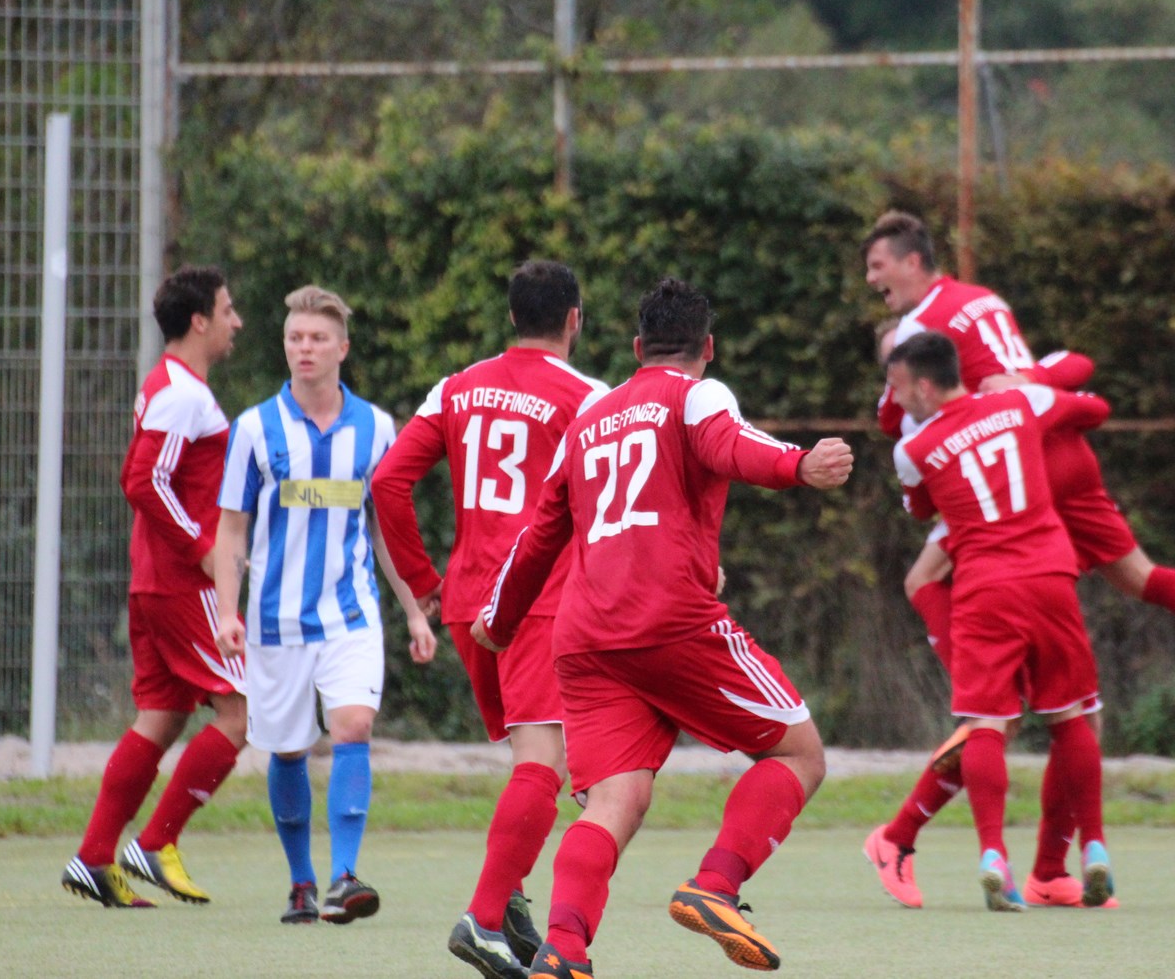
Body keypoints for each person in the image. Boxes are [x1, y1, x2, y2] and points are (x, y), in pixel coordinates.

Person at [859, 209, 1175, 911]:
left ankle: (907, 827)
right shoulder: (985, 299)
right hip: (1056, 449)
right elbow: (1075, 369)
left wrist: (962, 402)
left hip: (1000, 468)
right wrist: (1027, 387)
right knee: (1137, 586)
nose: (870, 279)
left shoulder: (923, 330)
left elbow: (896, 417)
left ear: (913, 261)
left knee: (963, 659)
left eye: (877, 264)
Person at [477, 278, 853, 977]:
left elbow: (539, 535)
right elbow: (731, 448)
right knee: (800, 754)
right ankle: (717, 883)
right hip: (670, 622)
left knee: (617, 799)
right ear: (706, 347)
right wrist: (800, 465)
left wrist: (499, 620)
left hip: (585, 639)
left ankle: (563, 949)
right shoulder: (696, 393)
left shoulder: (589, 415)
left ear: (634, 346)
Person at [371, 261, 608, 979]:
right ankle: (481, 915)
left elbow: (387, 482)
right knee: (545, 766)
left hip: (469, 605)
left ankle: (509, 911)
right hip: (538, 602)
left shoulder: (457, 386)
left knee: (525, 764)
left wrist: (425, 583)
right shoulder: (589, 398)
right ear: (574, 319)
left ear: (512, 317)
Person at [212, 284, 437, 926]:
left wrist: (415, 611)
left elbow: (387, 529)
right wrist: (228, 611)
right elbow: (231, 530)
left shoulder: (376, 428)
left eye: (316, 338)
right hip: (275, 622)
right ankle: (302, 882)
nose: (304, 348)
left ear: (342, 347)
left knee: (353, 727)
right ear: (285, 346)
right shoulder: (254, 428)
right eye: (294, 338)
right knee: (286, 752)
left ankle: (344, 876)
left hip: (352, 614)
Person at [886, 331, 1116, 911]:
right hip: (1050, 576)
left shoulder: (913, 451)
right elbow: (1096, 409)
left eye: (897, 388)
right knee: (1072, 718)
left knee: (985, 725)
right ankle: (1095, 849)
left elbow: (920, 508)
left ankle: (994, 856)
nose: (893, 402)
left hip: (985, 588)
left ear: (925, 384)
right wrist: (1030, 384)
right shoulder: (1020, 403)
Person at [62, 266, 248, 908]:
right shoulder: (182, 394)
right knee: (242, 710)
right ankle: (156, 842)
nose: (236, 322)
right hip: (179, 586)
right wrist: (203, 552)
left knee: (161, 718)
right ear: (199, 320)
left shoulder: (173, 385)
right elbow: (143, 480)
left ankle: (94, 856)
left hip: (153, 581)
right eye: (227, 311)